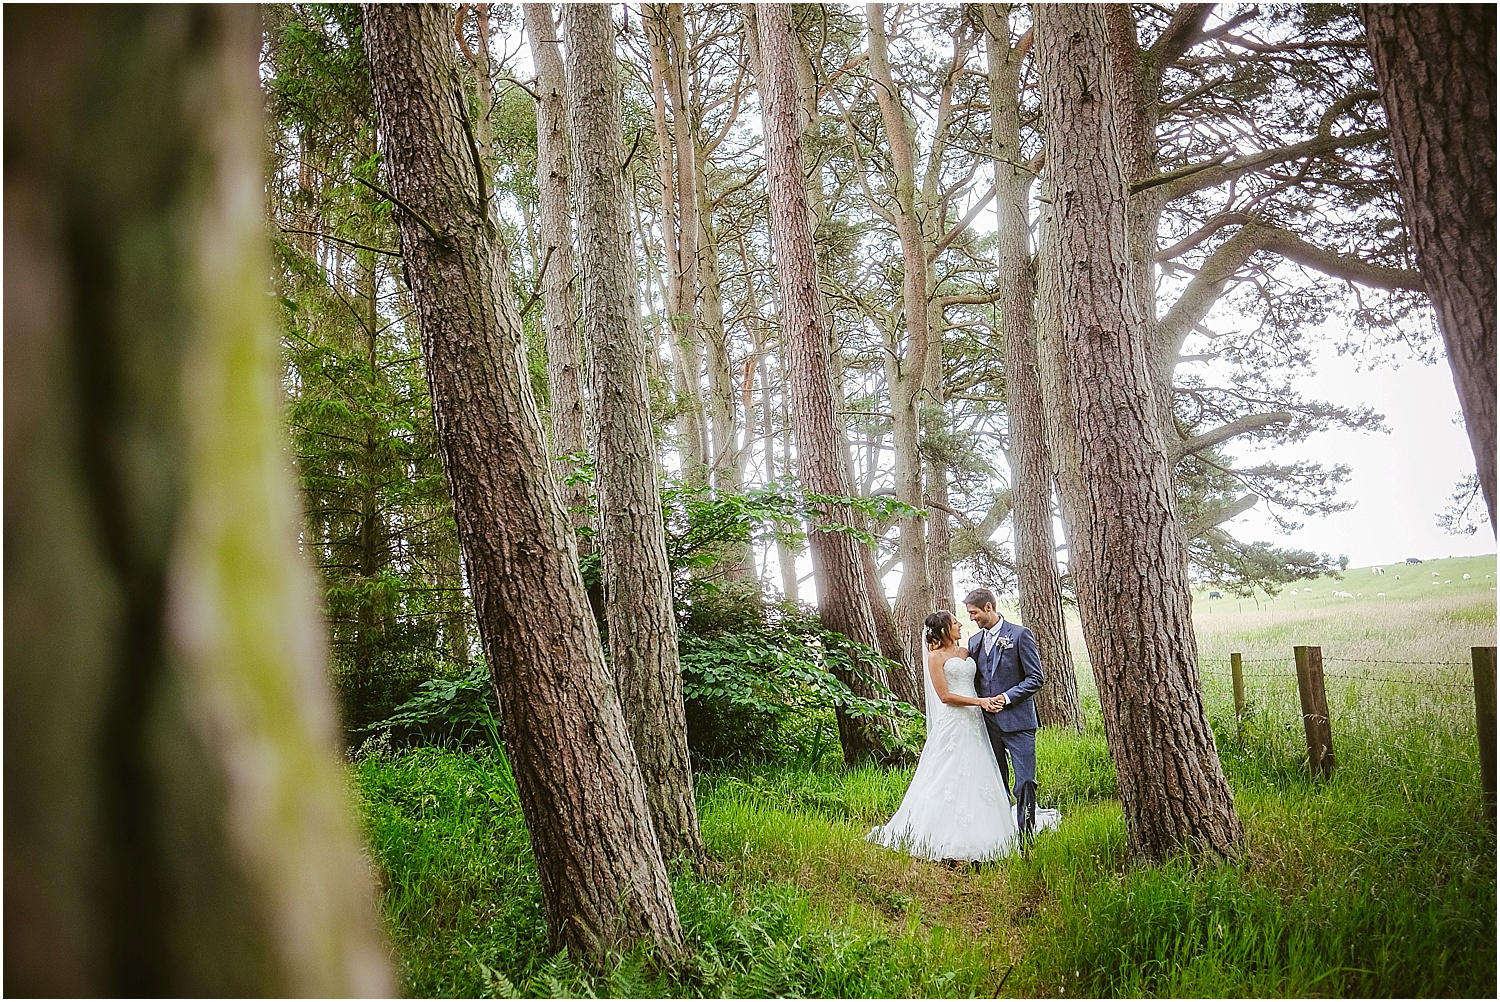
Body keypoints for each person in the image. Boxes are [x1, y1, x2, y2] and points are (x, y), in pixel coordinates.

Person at [865, 611, 1019, 862]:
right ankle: (936, 831)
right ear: (945, 629)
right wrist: (979, 702)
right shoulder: (935, 657)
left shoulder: (966, 652)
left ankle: (988, 829)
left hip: (976, 722)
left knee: (980, 772)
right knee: (947, 774)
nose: (960, 624)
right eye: (955, 622)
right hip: (955, 721)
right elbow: (945, 697)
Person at [963, 587, 1055, 839]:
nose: (971, 618)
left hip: (1019, 722)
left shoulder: (1020, 635)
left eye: (974, 613)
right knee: (995, 781)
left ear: (989, 608)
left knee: (1025, 781)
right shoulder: (974, 642)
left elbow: (1036, 678)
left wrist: (1006, 697)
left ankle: (1026, 835)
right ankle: (1002, 833)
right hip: (988, 724)